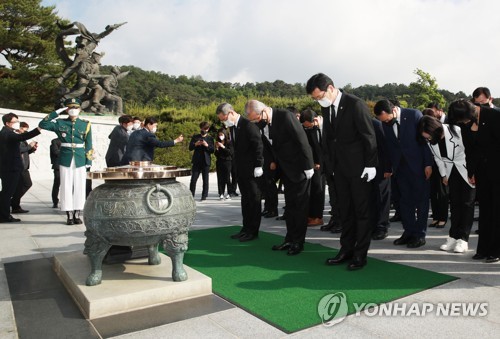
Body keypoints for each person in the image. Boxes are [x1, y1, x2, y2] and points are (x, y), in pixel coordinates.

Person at [306, 74, 377, 269]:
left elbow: (368, 136)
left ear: (330, 88)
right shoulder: (326, 107)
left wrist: (371, 165)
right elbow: (329, 139)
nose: (318, 100)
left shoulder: (355, 104)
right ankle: (346, 249)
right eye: (315, 98)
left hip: (360, 168)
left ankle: (360, 254)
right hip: (339, 170)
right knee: (345, 211)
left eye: (319, 96)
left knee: (361, 212)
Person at [245, 100, 314, 255]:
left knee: (300, 207)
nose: (256, 122)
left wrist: (308, 165)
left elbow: (301, 140)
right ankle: (289, 239)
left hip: (300, 168)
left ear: (263, 111)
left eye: (256, 118)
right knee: (290, 206)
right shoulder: (265, 124)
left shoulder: (285, 116)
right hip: (286, 170)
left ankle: (298, 242)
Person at [374, 99, 433, 249]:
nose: (385, 122)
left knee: (421, 202)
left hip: (418, 166)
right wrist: (388, 167)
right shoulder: (386, 124)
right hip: (400, 168)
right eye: (383, 121)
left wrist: (428, 163)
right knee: (405, 202)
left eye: (386, 119)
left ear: (393, 110)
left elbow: (424, 141)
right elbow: (388, 147)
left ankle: (420, 234)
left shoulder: (414, 115)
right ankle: (409, 231)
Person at [418, 111, 475, 254]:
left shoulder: (455, 130)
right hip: (451, 172)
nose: (428, 139)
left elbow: (471, 151)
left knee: (467, 204)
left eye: (429, 136)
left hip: (466, 169)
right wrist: (444, 175)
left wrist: (473, 172)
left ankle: (463, 239)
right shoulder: (431, 140)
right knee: (455, 204)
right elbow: (437, 158)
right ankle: (453, 236)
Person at [39, 98, 93, 225]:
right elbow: (43, 124)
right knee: (66, 185)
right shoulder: (60, 123)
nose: (73, 110)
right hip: (65, 158)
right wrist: (57, 112)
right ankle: (69, 214)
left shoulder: (86, 124)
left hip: (80, 158)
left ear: (80, 109)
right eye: (70, 108)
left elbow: (89, 143)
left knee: (80, 186)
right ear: (67, 110)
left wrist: (88, 160)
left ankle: (77, 213)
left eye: (76, 108)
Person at [216, 103, 264, 242]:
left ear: (231, 113)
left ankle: (253, 231)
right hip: (241, 169)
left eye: (223, 118)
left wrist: (259, 164)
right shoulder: (233, 127)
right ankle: (246, 228)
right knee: (245, 200)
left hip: (253, 170)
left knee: (254, 200)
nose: (223, 121)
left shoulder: (248, 125)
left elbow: (258, 145)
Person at [468, 98, 500, 262]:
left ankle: (496, 250)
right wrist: (471, 171)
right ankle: (483, 248)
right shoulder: (472, 121)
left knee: (497, 212)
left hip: (497, 172)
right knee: (485, 212)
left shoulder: (494, 115)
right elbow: (472, 149)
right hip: (482, 173)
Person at [0, 113, 41, 223]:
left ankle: (4, 213)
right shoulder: (6, 133)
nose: (18, 123)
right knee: (7, 193)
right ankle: (4, 216)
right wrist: (38, 129)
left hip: (11, 167)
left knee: (7, 192)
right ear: (8, 123)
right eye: (15, 122)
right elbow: (22, 136)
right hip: (10, 168)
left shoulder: (8, 133)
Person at [423, 104, 449, 229]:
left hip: (446, 166)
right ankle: (436, 217)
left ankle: (443, 217)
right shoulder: (430, 139)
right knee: (433, 192)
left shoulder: (448, 131)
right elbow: (437, 157)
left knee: (442, 192)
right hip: (434, 164)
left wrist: (444, 174)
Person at [300, 109, 325, 227]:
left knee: (318, 190)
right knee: (311, 191)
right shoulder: (308, 129)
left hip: (320, 165)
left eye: (309, 126)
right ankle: (310, 215)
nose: (307, 128)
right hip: (310, 164)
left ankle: (318, 217)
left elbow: (321, 146)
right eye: (305, 127)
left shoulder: (322, 127)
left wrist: (318, 161)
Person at [371, 118, 392, 240]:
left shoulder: (376, 125)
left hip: (381, 167)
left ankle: (382, 226)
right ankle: (373, 225)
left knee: (382, 197)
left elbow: (385, 147)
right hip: (365, 167)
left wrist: (388, 168)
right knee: (371, 197)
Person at [11, 122, 38, 214]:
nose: (25, 132)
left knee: (19, 186)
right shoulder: (15, 137)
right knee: (27, 184)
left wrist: (32, 149)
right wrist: (29, 146)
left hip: (24, 165)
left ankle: (15, 206)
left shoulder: (22, 138)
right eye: (24, 129)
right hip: (20, 166)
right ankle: (13, 202)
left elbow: (25, 152)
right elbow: (18, 150)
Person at [189, 122, 215, 201]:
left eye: (205, 129)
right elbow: (190, 147)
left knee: (205, 179)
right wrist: (196, 144)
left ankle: (204, 195)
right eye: (202, 128)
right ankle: (191, 195)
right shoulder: (195, 137)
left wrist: (206, 145)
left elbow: (212, 150)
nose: (203, 130)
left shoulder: (210, 138)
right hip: (197, 161)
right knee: (193, 179)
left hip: (206, 161)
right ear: (200, 128)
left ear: (208, 129)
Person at [214, 128, 233, 200]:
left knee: (227, 177)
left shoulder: (229, 142)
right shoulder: (217, 142)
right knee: (220, 178)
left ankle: (229, 193)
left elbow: (230, 153)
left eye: (221, 135)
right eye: (219, 135)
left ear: (225, 134)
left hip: (227, 161)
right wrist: (217, 148)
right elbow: (216, 154)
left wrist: (223, 147)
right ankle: (221, 193)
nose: (220, 136)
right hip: (219, 161)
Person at [50, 138, 62, 208]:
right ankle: (55, 201)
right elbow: (55, 152)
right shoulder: (55, 141)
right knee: (57, 184)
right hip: (58, 166)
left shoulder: (70, 140)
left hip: (68, 166)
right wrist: (67, 151)